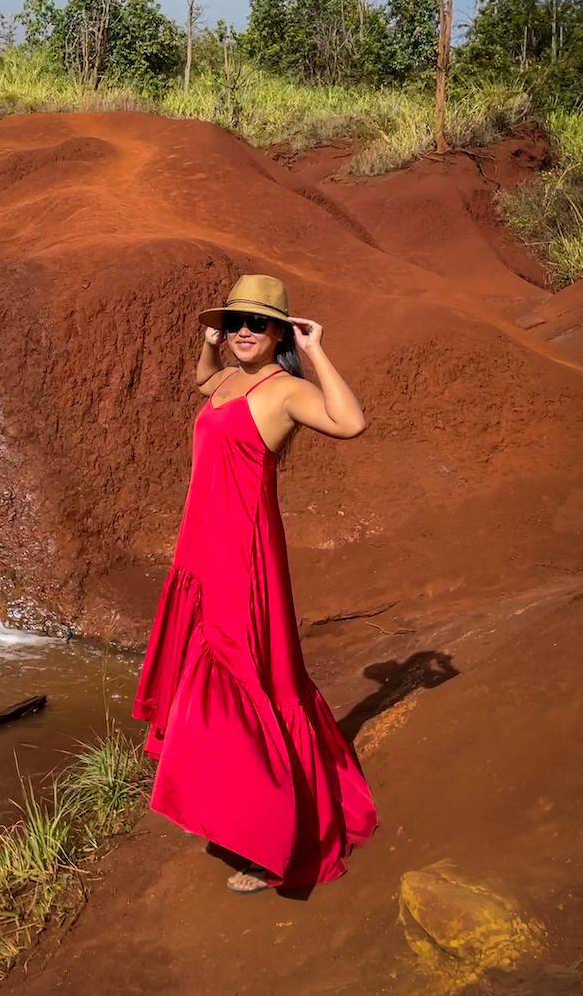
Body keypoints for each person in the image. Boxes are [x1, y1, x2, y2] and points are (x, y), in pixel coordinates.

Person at [133, 274, 378, 893]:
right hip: (201, 549)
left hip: (242, 555)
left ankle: (268, 840)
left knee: (248, 681)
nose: (245, 331)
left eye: (258, 323)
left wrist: (316, 348)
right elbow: (200, 382)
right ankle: (232, 804)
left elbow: (351, 424)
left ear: (279, 333)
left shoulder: (285, 390)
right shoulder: (227, 379)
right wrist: (209, 345)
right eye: (237, 320)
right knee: (219, 679)